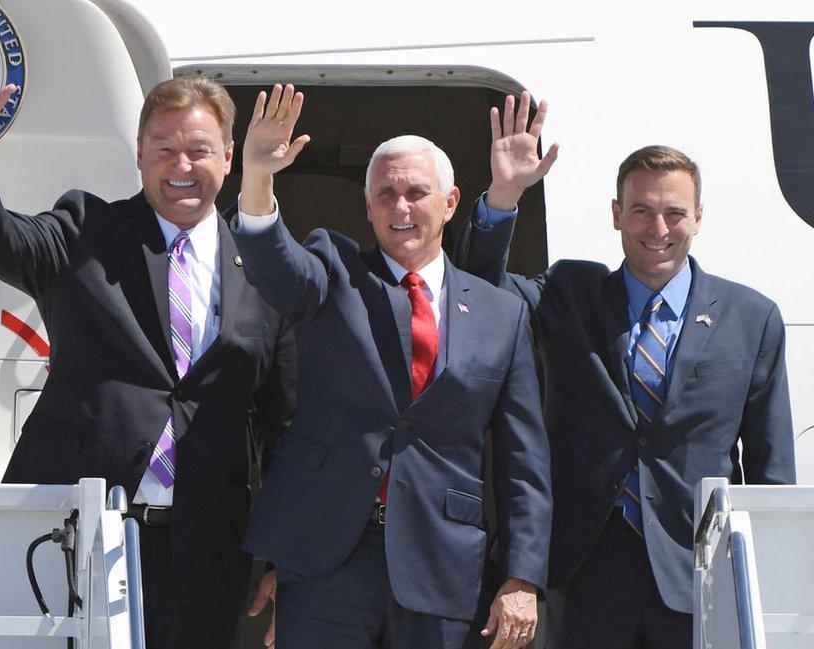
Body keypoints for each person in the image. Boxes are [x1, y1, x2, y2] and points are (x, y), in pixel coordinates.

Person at [0, 41, 296, 649]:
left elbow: (283, 422)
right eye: (165, 149)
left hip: (205, 553)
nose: (182, 164)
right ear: (141, 158)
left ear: (229, 158)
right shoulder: (86, 230)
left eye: (199, 150)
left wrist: (285, 557)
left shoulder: (266, 268)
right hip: (75, 536)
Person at [456, 92, 796, 648]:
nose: (656, 227)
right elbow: (475, 290)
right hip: (584, 570)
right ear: (616, 214)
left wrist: (769, 589)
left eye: (673, 212)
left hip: (698, 571)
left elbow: (770, 464)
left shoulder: (751, 317)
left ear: (699, 218)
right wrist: (505, 194)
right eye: (640, 209)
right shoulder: (572, 293)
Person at [232, 84, 552, 649]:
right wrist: (258, 178)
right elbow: (276, 266)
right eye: (385, 194)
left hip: (439, 561)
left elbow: (523, 461)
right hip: (328, 557)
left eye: (416, 192)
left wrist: (522, 577)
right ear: (367, 205)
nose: (400, 208)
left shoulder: (503, 313)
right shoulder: (333, 268)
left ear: (450, 203)